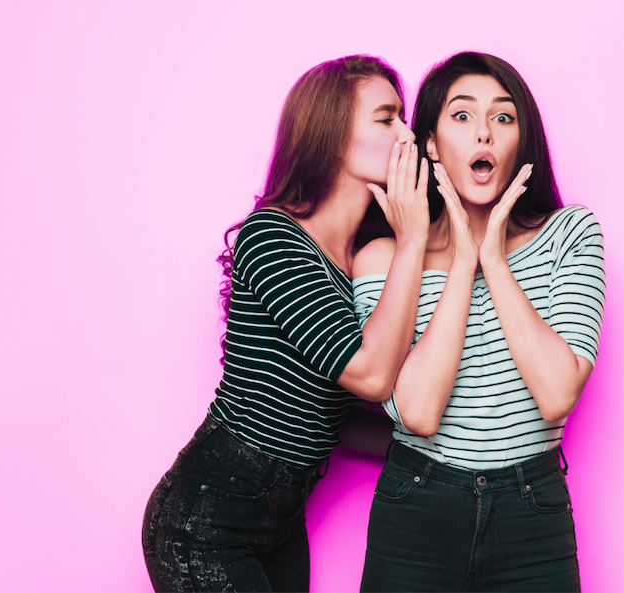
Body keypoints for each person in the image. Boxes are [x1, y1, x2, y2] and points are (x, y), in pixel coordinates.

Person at [142, 54, 431, 592]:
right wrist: (413, 239)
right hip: (206, 522)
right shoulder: (273, 236)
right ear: (333, 132)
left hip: (282, 520)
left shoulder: (365, 263)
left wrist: (457, 446)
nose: (406, 134)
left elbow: (329, 415)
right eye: (386, 117)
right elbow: (370, 376)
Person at [353, 52, 605, 592]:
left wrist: (494, 260)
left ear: (521, 141)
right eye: (462, 116)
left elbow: (558, 393)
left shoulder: (572, 235)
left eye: (504, 117)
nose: (484, 134)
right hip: (416, 505)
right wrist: (463, 261)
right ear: (429, 142)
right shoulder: (385, 257)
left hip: (531, 512)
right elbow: (417, 412)